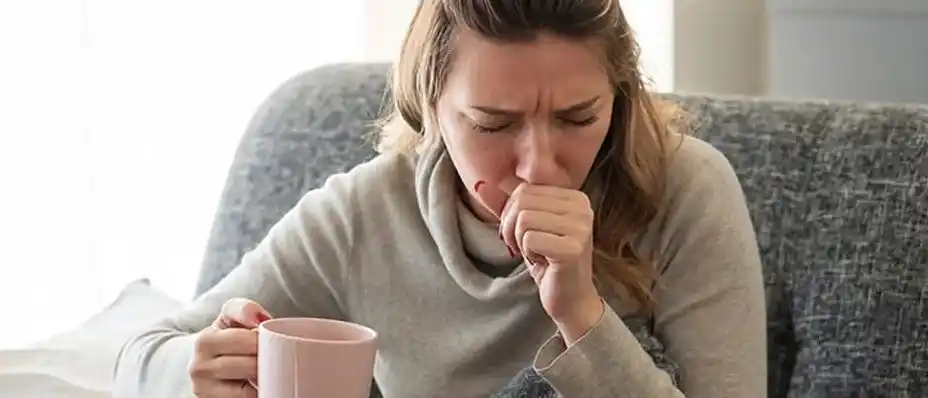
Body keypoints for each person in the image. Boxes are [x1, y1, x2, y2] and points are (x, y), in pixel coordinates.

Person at [113, 0, 767, 397]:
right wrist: (198, 370)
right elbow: (140, 357)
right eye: (493, 124)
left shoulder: (686, 191)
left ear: (619, 99)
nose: (539, 165)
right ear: (429, 111)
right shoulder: (367, 214)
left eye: (577, 118)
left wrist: (580, 312)